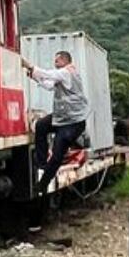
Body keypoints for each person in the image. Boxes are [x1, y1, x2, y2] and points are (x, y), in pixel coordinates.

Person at [26, 50, 90, 194]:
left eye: (57, 61)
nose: (55, 64)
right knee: (41, 125)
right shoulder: (62, 75)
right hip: (62, 118)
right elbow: (49, 85)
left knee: (57, 152)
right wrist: (33, 76)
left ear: (64, 61)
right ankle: (41, 162)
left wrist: (31, 67)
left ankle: (43, 183)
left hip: (74, 122)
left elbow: (48, 74)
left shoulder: (67, 72)